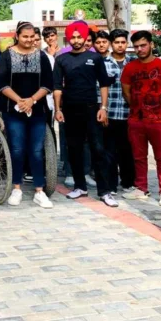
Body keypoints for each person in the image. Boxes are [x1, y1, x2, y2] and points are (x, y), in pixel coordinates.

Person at [53, 21, 116, 207]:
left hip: (92, 109)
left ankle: (104, 191)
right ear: (68, 38)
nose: (76, 40)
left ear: (85, 38)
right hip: (70, 110)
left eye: (79, 36)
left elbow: (104, 84)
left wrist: (103, 108)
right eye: (72, 37)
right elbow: (57, 87)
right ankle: (80, 186)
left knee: (98, 149)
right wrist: (58, 109)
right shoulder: (61, 60)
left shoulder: (95, 58)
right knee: (74, 149)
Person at [0, 22, 54, 208]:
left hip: (37, 110)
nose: (29, 40)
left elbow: (48, 84)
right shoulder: (6, 56)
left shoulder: (42, 56)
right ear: (17, 36)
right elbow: (2, 83)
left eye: (32, 37)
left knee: (37, 151)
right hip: (12, 110)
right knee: (17, 149)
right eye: (25, 37)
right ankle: (16, 188)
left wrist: (31, 100)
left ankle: (39, 190)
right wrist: (20, 101)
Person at [121, 31, 161, 207]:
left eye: (143, 45)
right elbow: (126, 92)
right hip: (137, 120)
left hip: (160, 120)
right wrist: (137, 108)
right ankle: (141, 188)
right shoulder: (130, 68)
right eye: (136, 46)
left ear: (151, 44)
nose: (139, 49)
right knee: (138, 156)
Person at [103, 29, 135, 194]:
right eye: (117, 42)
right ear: (111, 43)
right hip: (111, 114)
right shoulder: (103, 63)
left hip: (130, 114)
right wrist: (103, 110)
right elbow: (99, 89)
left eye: (123, 42)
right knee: (110, 152)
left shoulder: (133, 62)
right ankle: (111, 185)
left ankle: (128, 182)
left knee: (128, 150)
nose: (120, 45)